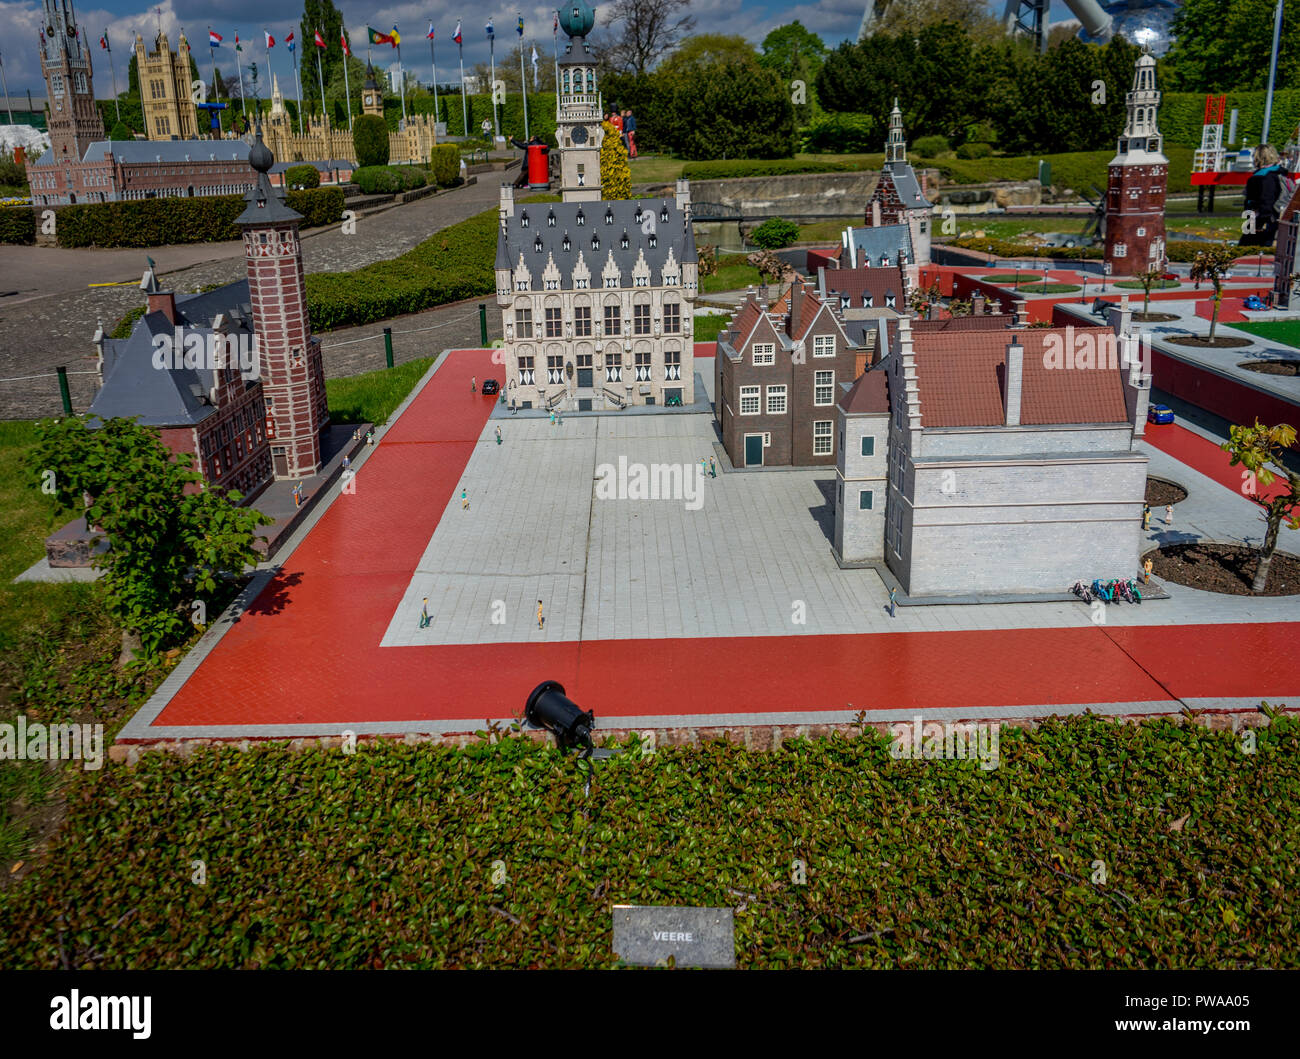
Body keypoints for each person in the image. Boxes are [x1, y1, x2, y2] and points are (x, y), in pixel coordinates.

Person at [1240, 144, 1294, 248]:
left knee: (1247, 251)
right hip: (1280, 218)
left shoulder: (1260, 178)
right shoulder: (1280, 174)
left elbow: (1265, 202)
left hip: (1262, 221)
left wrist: (1256, 224)